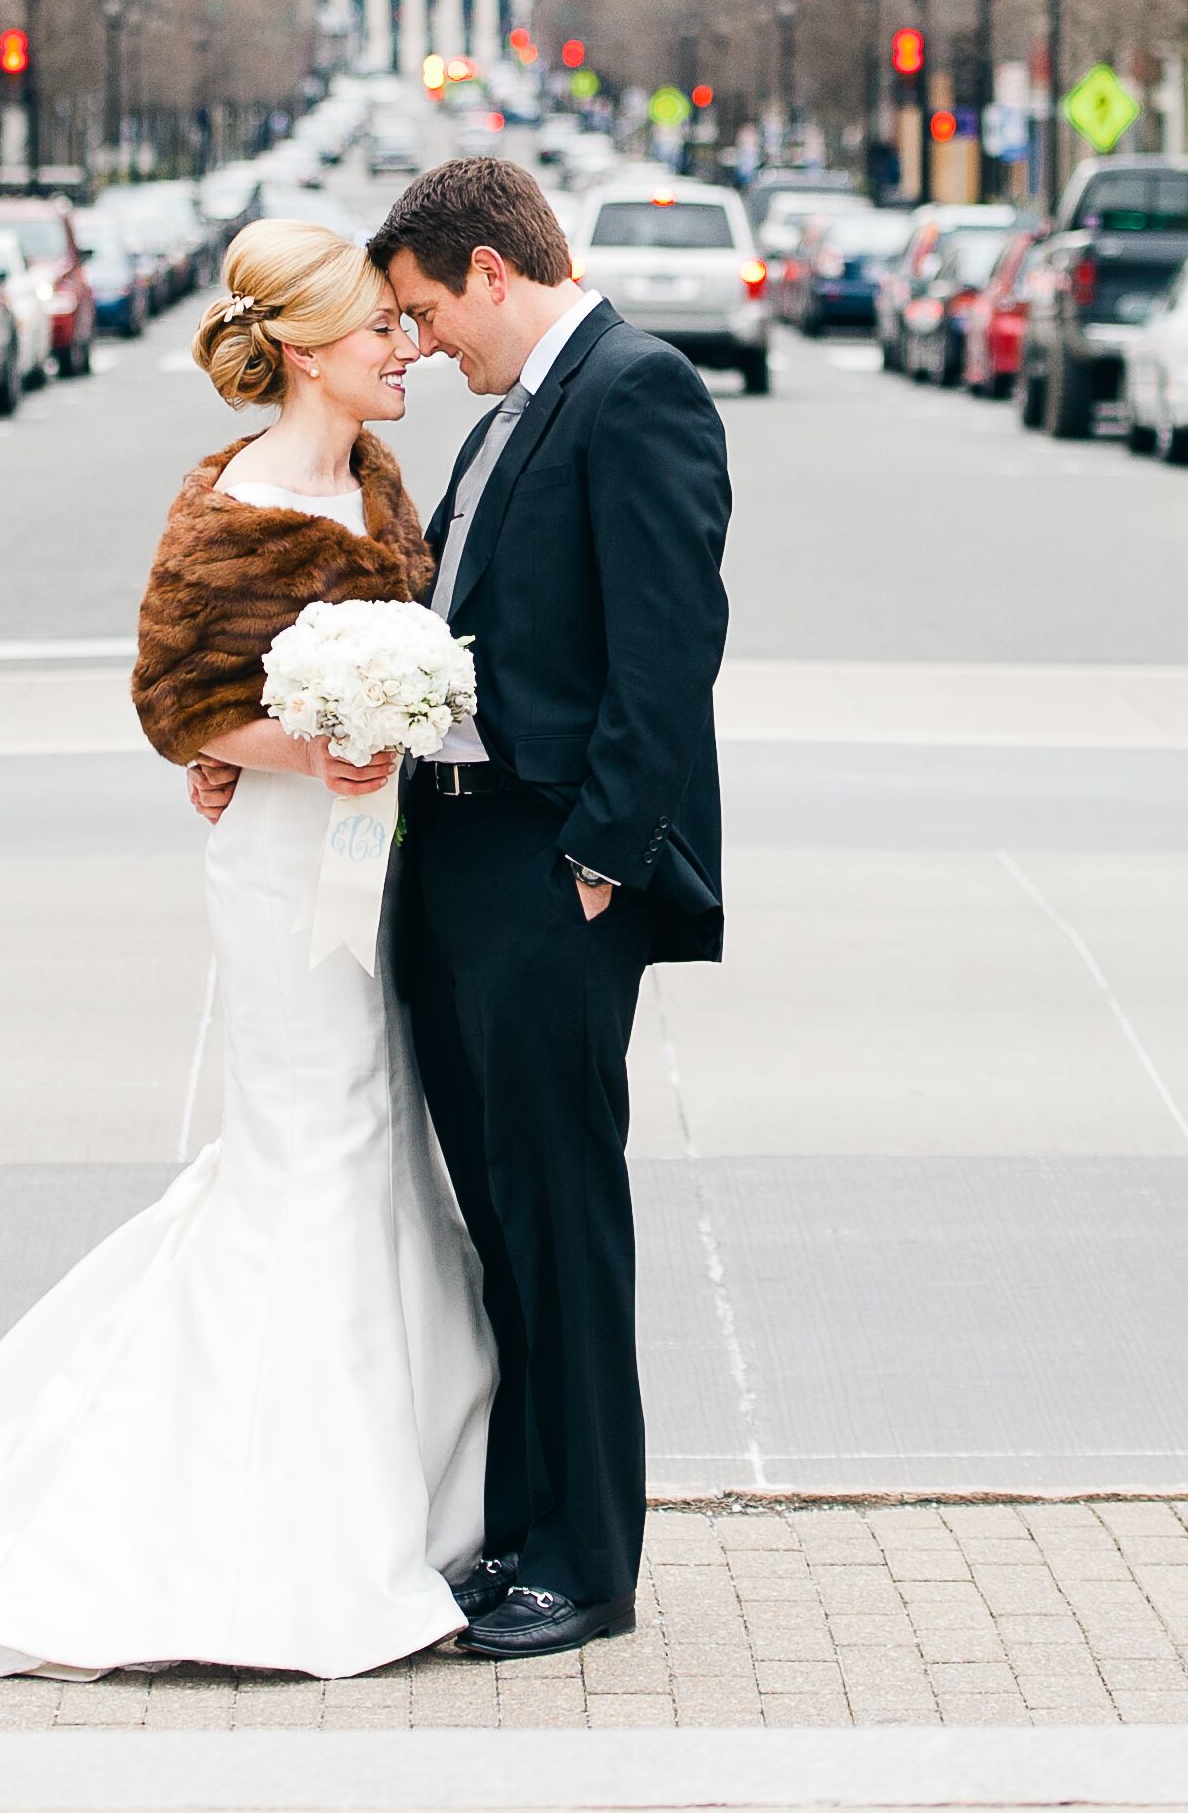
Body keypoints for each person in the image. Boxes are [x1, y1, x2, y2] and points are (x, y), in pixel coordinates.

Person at [0, 221, 492, 1678]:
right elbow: (178, 703)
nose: (405, 348)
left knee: (376, 1148)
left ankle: (404, 1493)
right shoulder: (226, 510)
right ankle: (286, 1538)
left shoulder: (378, 481)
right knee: (310, 1152)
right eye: (382, 330)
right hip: (284, 880)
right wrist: (306, 745)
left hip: (379, 870)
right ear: (311, 350)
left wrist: (379, 726)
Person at [360, 156, 732, 1660]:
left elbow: (669, 641)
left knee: (563, 1221)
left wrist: (601, 856)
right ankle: (517, 1534)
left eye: (428, 310)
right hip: (451, 862)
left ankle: (590, 1560)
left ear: (494, 272)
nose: (425, 342)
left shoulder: (636, 390)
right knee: (504, 1219)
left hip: (547, 873)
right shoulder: (512, 412)